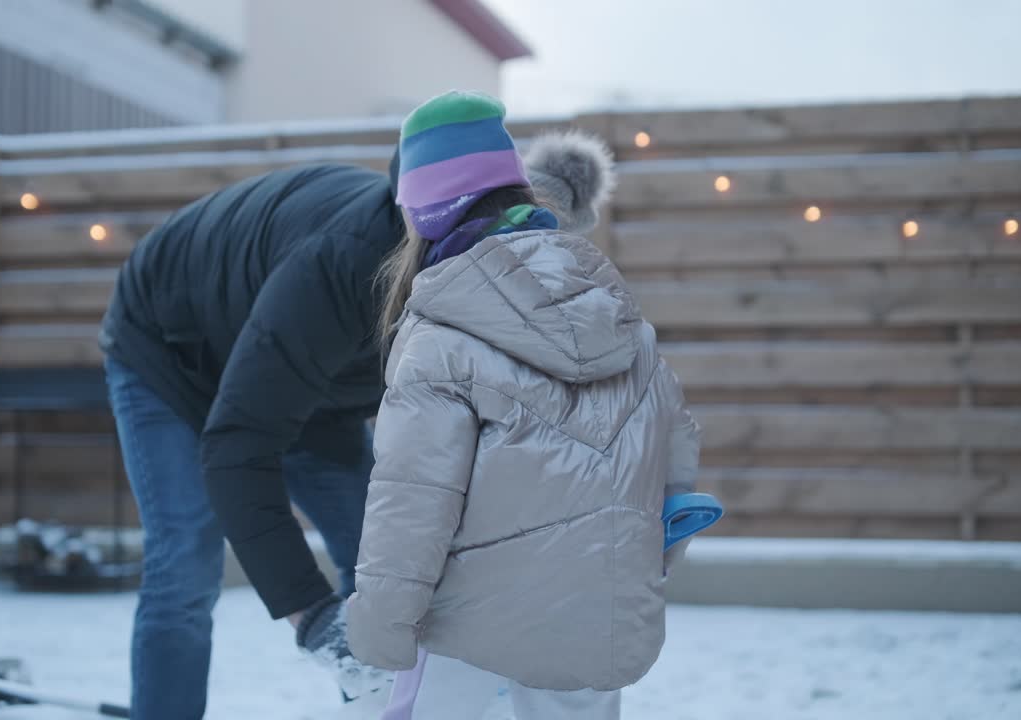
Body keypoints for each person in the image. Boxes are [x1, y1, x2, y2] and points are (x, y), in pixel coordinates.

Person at [100, 115, 613, 718]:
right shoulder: (343, 265)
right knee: (187, 558)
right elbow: (239, 444)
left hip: (312, 378)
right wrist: (314, 616)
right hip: (172, 347)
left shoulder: (499, 286)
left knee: (382, 557)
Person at [346, 91, 703, 720]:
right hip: (595, 607)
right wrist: (639, 565)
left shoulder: (439, 329)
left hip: (467, 620)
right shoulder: (606, 300)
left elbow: (414, 498)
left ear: (422, 212)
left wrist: (381, 623)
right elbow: (672, 452)